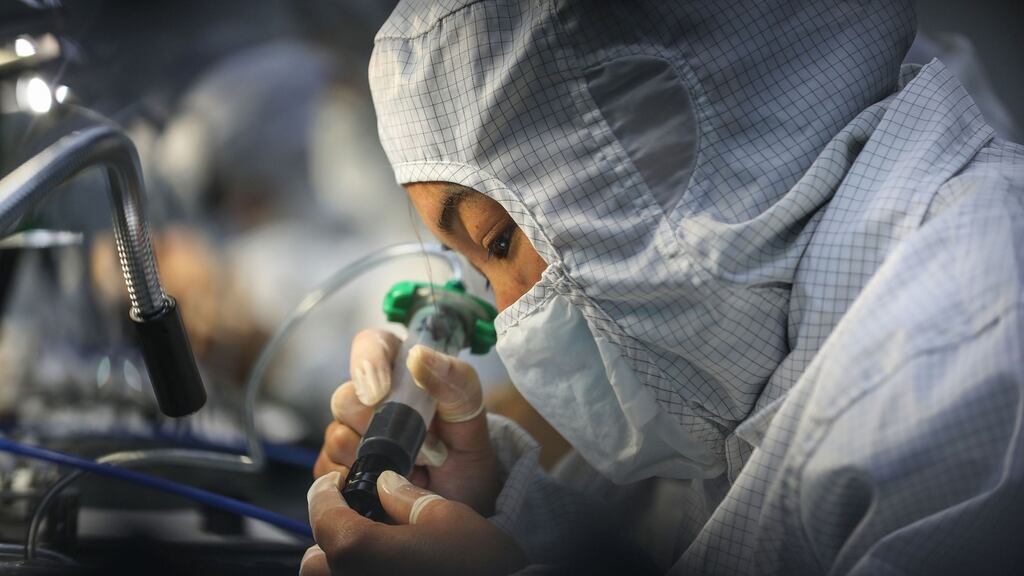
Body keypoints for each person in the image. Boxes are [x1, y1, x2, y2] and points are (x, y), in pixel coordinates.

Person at [302, 0, 1024, 574]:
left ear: (653, 152)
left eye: (498, 242)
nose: (503, 314)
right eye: (476, 266)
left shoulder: (967, 368)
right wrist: (490, 502)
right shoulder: (741, 341)